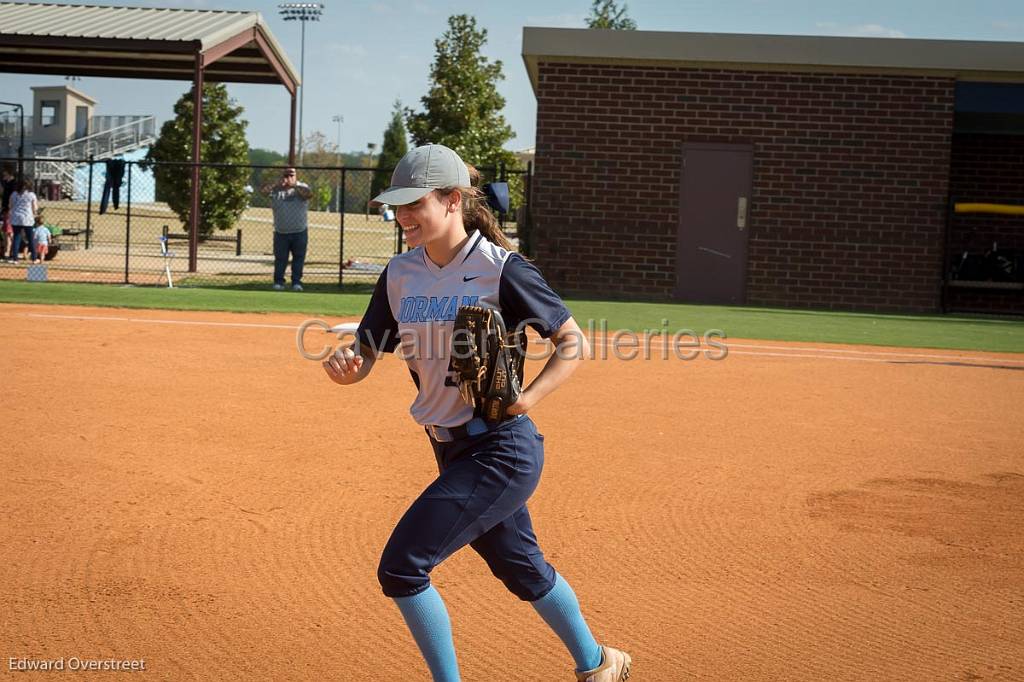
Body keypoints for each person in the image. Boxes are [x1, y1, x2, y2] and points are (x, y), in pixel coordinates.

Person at [321, 144, 631, 682]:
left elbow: (571, 340)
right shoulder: (399, 274)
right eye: (397, 206)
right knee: (522, 570)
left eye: (414, 203)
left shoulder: (499, 269)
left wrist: (527, 399)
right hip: (449, 446)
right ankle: (600, 665)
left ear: (453, 201)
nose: (403, 217)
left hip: (502, 448)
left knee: (402, 567)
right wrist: (352, 365)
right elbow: (370, 348)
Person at [261, 167, 311, 291]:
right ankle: (279, 282)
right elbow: (263, 191)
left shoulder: (301, 187)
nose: (288, 178)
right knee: (280, 259)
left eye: (291, 175)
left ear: (296, 176)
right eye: (286, 175)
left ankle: (296, 282)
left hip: (299, 231)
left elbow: (309, 194)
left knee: (298, 258)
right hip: (281, 232)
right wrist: (277, 185)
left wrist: (293, 186)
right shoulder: (277, 189)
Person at [8, 179, 37, 264]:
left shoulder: (14, 194)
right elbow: (34, 207)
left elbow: (10, 205)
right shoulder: (31, 195)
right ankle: (34, 258)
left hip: (16, 217)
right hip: (27, 218)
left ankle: (15, 258)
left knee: (16, 237)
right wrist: (35, 214)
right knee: (30, 238)